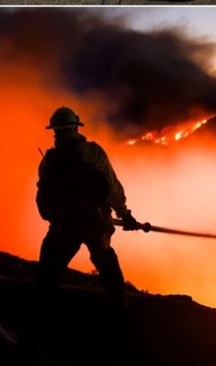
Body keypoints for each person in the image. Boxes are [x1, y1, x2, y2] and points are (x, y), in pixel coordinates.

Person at [34, 106, 142, 325]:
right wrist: (125, 215)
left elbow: (45, 196)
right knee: (107, 263)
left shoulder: (49, 160)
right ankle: (120, 312)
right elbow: (112, 188)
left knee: (49, 271)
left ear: (55, 130)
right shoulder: (93, 152)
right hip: (95, 223)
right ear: (76, 127)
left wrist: (57, 217)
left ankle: (41, 320)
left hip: (64, 225)